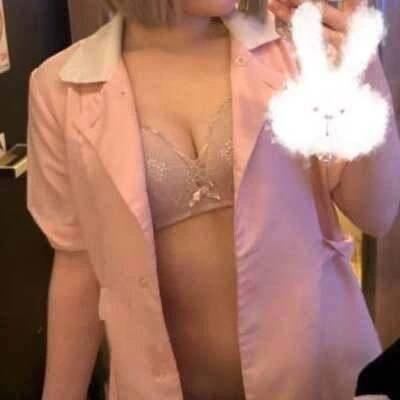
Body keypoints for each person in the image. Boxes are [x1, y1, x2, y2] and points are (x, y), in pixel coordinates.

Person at [26, 0, 400, 399]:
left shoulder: (295, 52)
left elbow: (376, 213)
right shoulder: (61, 89)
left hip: (319, 373)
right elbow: (78, 264)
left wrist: (363, 72)